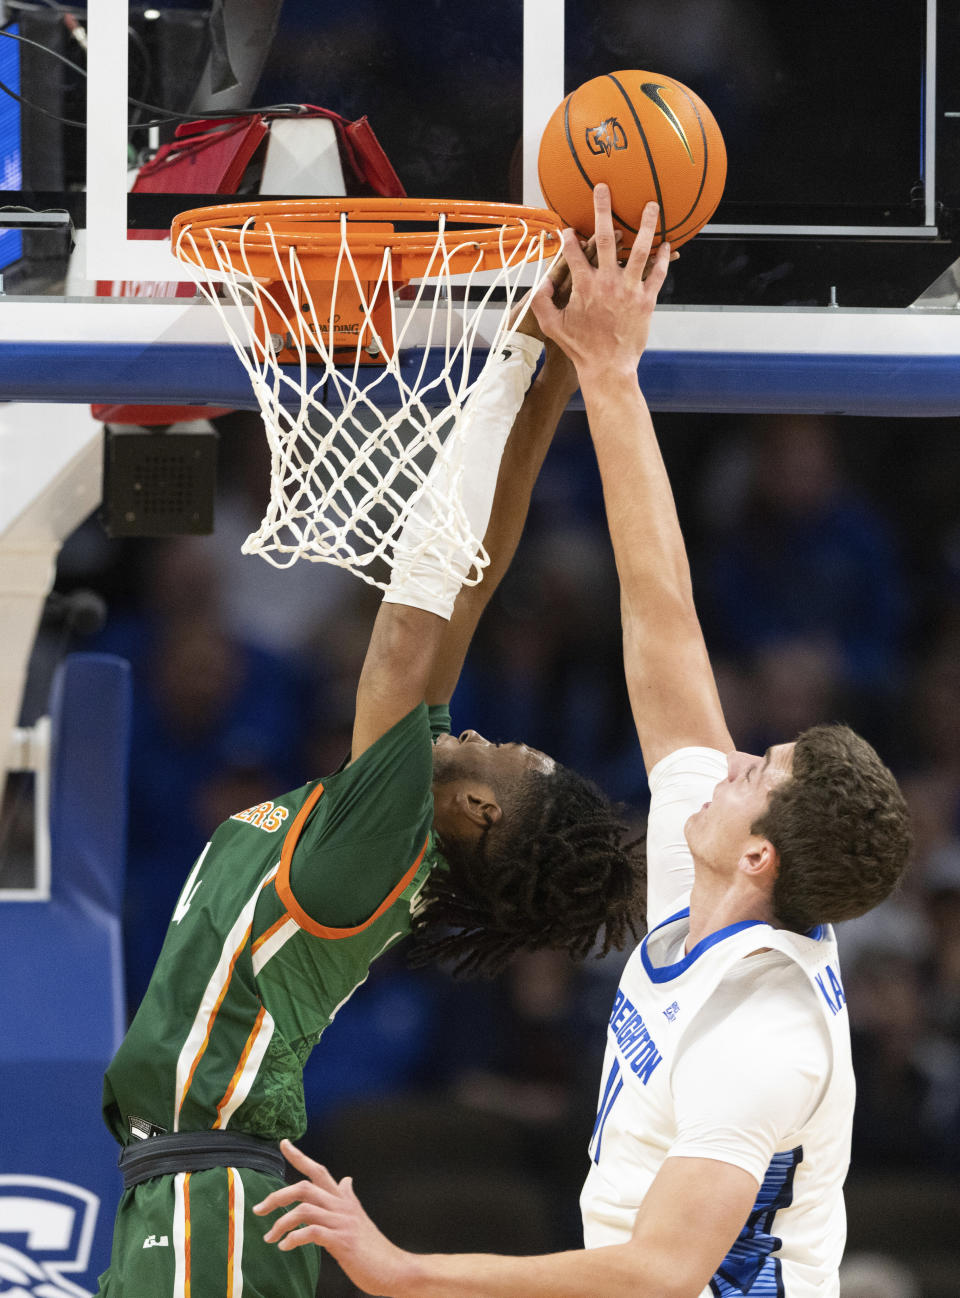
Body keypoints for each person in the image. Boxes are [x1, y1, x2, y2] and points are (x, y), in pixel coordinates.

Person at [253, 187, 912, 1297]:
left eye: (762, 772)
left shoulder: (768, 1031)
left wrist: (404, 1270)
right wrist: (607, 374)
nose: (736, 758)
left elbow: (660, 1269)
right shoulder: (704, 874)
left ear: (763, 855)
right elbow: (663, 621)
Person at [92, 244, 645, 1298]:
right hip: (193, 1191)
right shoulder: (393, 820)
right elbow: (476, 576)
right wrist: (555, 373)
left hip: (212, 1200)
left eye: (514, 756)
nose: (493, 735)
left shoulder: (389, 833)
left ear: (481, 807)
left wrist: (507, 360)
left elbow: (405, 627)